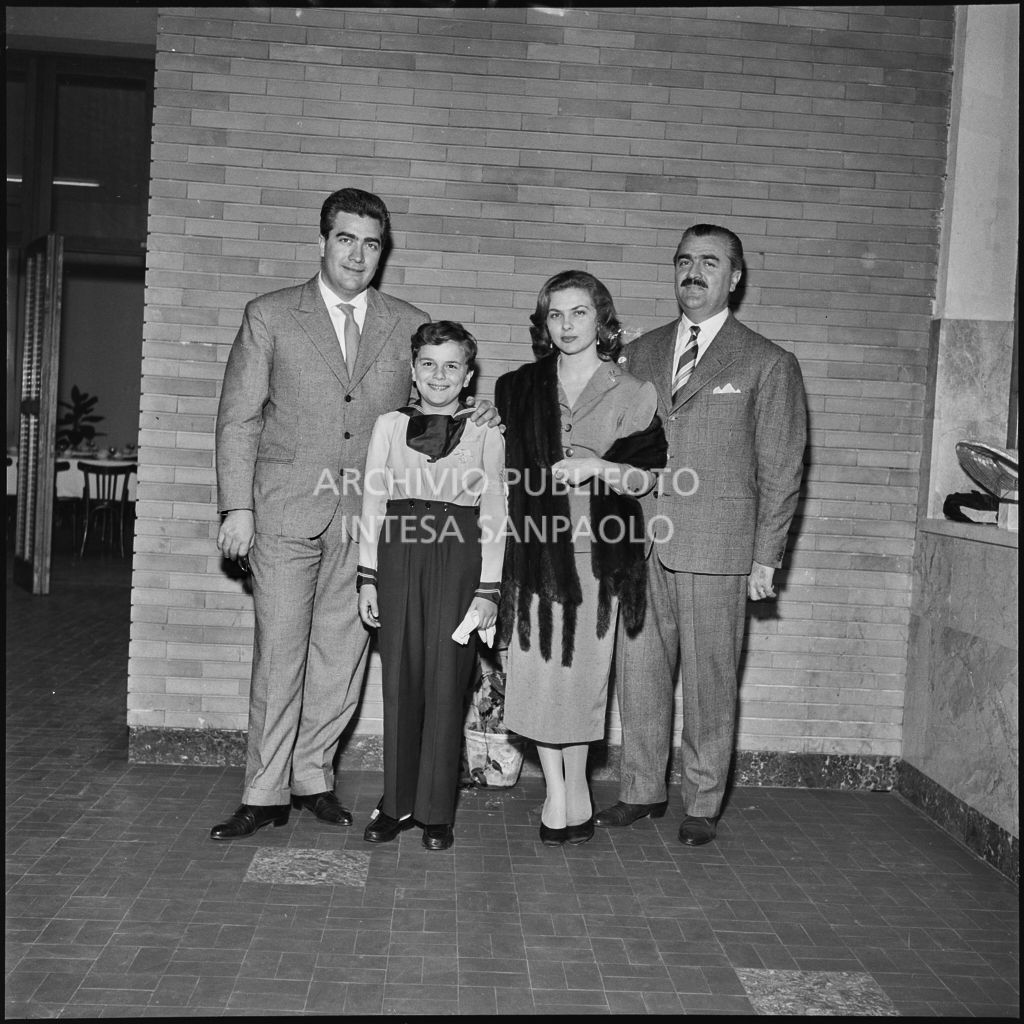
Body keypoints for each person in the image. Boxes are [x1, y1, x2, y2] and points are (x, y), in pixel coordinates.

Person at [210, 188, 496, 841]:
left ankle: (312, 778)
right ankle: (264, 792)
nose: (357, 254)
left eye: (371, 243)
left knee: (341, 657)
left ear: (382, 251)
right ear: (322, 242)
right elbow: (238, 420)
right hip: (283, 511)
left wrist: (478, 415)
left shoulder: (408, 321)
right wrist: (236, 507)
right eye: (345, 238)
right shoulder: (271, 315)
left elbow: (432, 409)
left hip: (367, 520)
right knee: (281, 651)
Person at [596, 224, 807, 846]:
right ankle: (641, 789)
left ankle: (704, 799)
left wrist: (767, 556)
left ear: (734, 277)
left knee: (712, 677)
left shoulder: (768, 362)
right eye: (685, 260)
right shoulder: (640, 353)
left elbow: (781, 467)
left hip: (719, 543)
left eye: (710, 263)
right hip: (640, 541)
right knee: (639, 672)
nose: (694, 272)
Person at [496, 270, 667, 847]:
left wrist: (597, 467)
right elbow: (500, 458)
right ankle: (557, 789)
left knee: (580, 678)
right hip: (533, 550)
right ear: (544, 324)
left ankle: (578, 785)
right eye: (555, 315)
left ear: (602, 320)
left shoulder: (633, 392)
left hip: (598, 555)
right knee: (537, 677)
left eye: (579, 313)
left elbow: (648, 478)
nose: (567, 326)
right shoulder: (517, 388)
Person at [356, 321, 507, 851]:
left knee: (448, 680)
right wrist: (368, 577)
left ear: (468, 375)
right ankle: (396, 805)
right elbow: (373, 501)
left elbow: (494, 511)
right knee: (400, 680)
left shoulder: (488, 431)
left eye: (451, 366)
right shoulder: (388, 426)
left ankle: (437, 811)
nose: (439, 375)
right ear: (413, 371)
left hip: (459, 554)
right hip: (398, 553)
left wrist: (488, 590)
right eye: (428, 364)